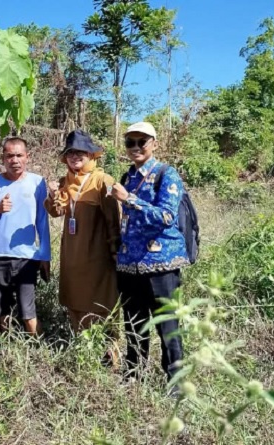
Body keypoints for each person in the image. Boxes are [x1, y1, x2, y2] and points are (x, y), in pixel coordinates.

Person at [109, 121, 189, 385]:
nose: (135, 147)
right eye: (130, 142)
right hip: (130, 264)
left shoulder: (167, 174)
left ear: (154, 144)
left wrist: (129, 199)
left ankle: (175, 381)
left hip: (161, 265)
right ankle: (133, 374)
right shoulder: (127, 177)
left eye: (141, 142)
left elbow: (166, 216)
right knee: (134, 323)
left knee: (167, 325)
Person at [45, 130, 120, 333]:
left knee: (101, 300)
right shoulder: (64, 182)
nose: (75, 156)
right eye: (70, 152)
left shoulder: (103, 180)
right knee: (74, 296)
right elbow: (56, 211)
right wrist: (52, 195)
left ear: (91, 154)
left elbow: (113, 220)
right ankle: (80, 342)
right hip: (72, 255)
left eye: (80, 152)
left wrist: (115, 251)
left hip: (97, 255)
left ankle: (108, 346)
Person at [0, 137, 51, 335]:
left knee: (28, 313)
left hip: (26, 257)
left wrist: (45, 256)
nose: (15, 160)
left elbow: (42, 221)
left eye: (19, 155)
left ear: (27, 157)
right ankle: (6, 347)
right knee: (2, 311)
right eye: (10, 156)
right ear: (2, 158)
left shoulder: (37, 183)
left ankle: (38, 347)